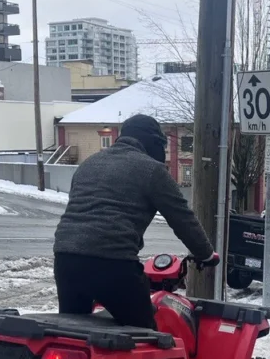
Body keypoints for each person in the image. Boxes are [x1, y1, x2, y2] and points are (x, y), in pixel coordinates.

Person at [53, 114, 217, 329]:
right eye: (161, 145)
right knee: (145, 334)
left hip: (65, 260)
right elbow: (182, 219)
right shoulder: (152, 170)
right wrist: (205, 254)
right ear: (151, 142)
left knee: (73, 334)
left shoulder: (89, 164)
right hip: (112, 264)